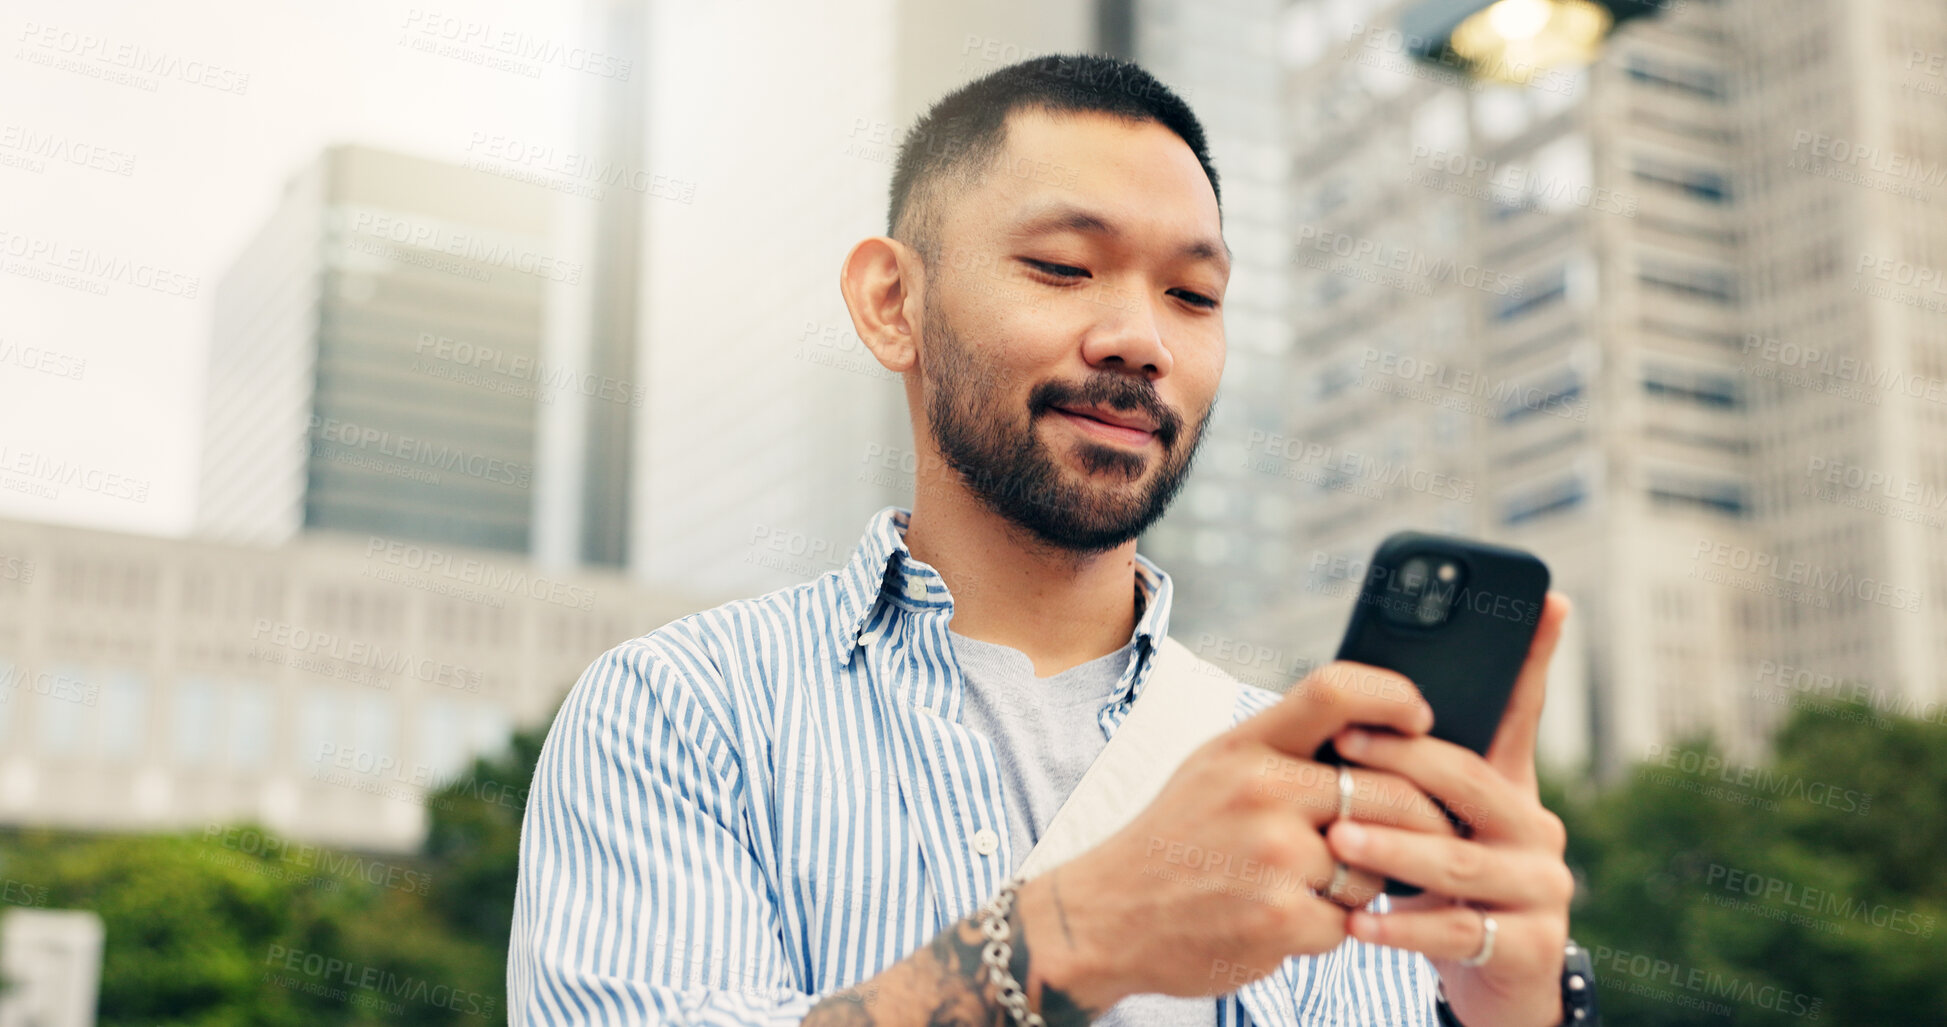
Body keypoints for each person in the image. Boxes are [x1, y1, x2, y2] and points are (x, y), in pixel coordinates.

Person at [508, 53, 1578, 1027]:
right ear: (893, 302)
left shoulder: (1302, 778)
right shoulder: (684, 716)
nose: (1142, 341)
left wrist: (1516, 1007)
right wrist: (1076, 933)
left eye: (1193, 295)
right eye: (1065, 268)